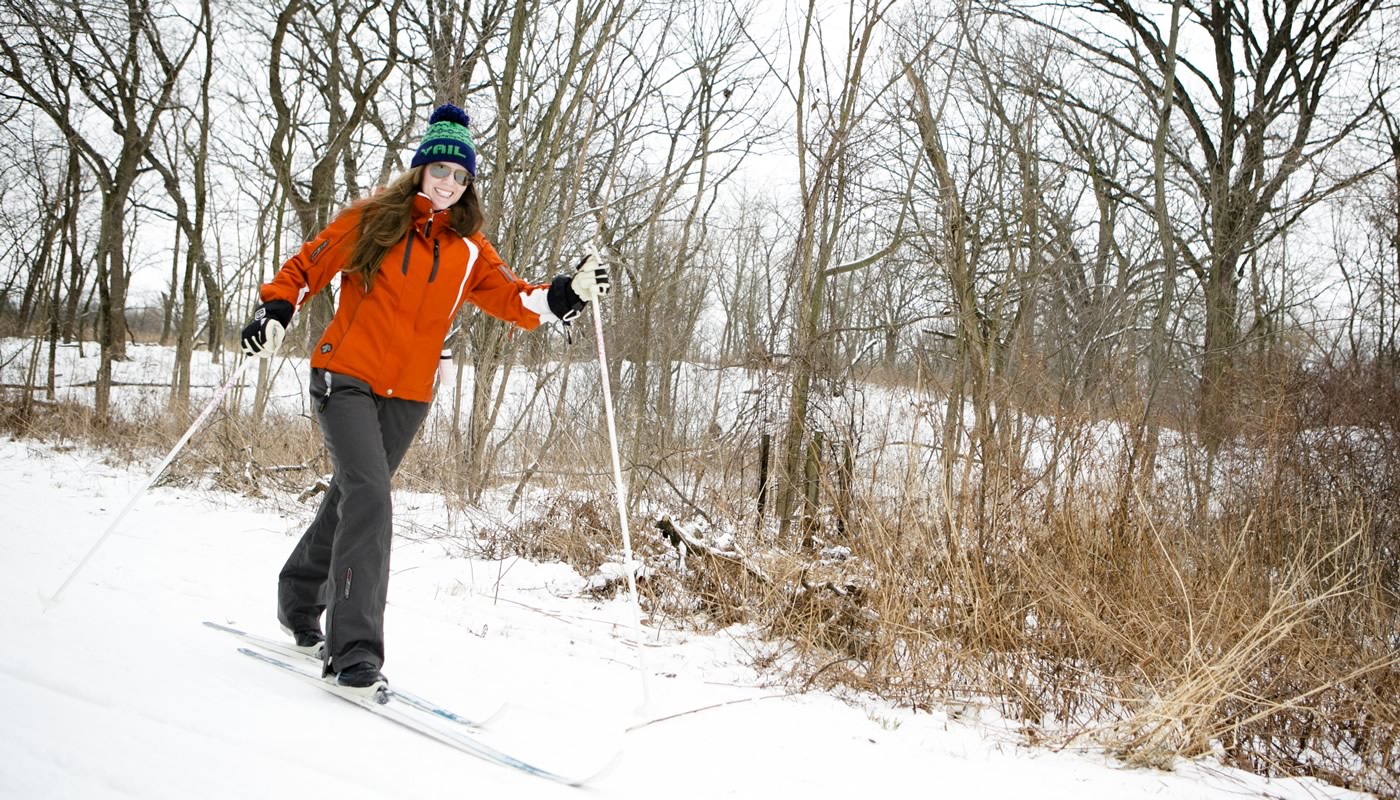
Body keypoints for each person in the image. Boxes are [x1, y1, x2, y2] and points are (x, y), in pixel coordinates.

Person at [238, 103, 609, 692]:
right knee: (371, 496)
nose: (449, 183)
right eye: (441, 170)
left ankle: (298, 596)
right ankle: (354, 650)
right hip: (346, 377)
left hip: (409, 394)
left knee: (355, 495)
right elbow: (308, 264)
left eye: (461, 177)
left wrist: (566, 294)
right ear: (420, 170)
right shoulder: (373, 219)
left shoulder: (467, 249)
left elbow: (515, 298)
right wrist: (278, 308)